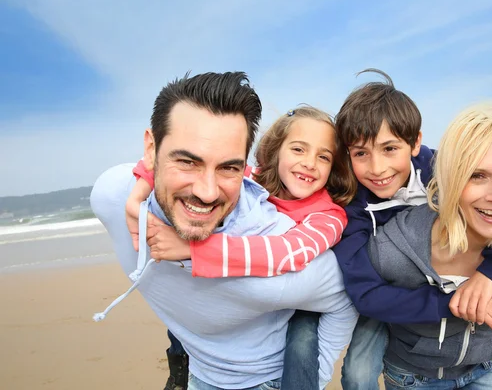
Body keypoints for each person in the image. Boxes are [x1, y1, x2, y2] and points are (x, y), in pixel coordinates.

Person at [286, 70, 492, 389]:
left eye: (390, 149)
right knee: (359, 370)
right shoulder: (354, 210)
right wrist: (450, 300)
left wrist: (488, 276)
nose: (377, 168)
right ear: (347, 154)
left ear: (416, 142)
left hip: (464, 271)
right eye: (361, 153)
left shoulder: (440, 167)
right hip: (399, 286)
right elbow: (366, 293)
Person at [90, 72, 358, 390]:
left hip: (274, 345)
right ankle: (180, 362)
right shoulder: (255, 180)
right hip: (204, 362)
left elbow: (292, 252)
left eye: (323, 157)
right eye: (188, 161)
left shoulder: (326, 216)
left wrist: (193, 251)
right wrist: (140, 188)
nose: (207, 191)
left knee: (302, 338)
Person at [366, 103, 492, 388]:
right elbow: (367, 300)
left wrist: (489, 275)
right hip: (416, 377)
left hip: (491, 363)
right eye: (476, 175)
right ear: (449, 177)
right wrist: (451, 304)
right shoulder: (393, 251)